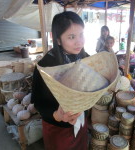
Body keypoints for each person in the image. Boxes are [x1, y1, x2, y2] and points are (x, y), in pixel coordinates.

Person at [31, 11, 89, 150]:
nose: (79, 41)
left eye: (81, 34)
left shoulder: (86, 58)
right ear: (57, 39)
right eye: (71, 37)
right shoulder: (45, 66)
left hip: (81, 122)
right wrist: (57, 115)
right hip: (57, 129)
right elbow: (38, 102)